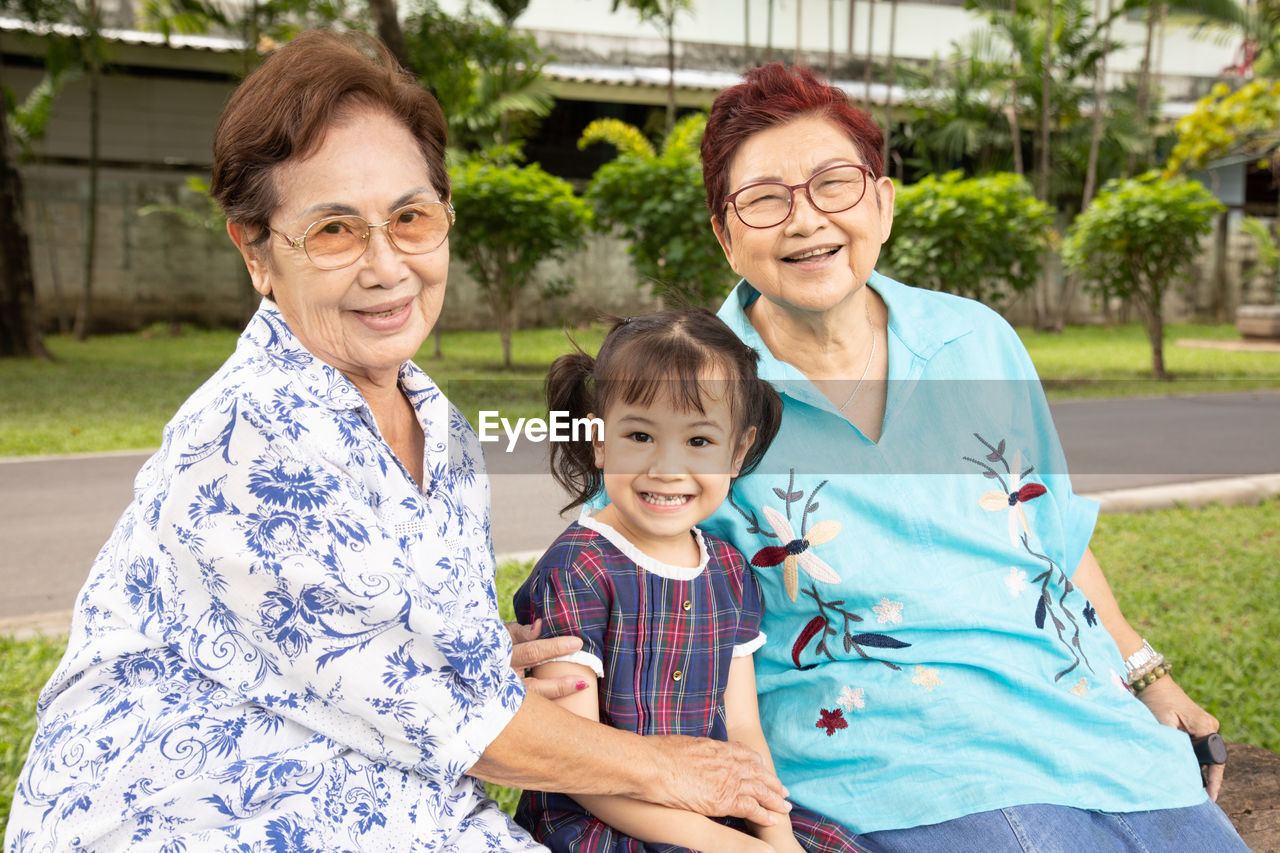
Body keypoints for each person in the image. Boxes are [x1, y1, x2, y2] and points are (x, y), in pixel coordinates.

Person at [2, 33, 795, 852]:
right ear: (256, 251)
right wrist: (667, 767)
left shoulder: (436, 421)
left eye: (411, 217)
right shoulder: (248, 437)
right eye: (335, 231)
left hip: (376, 788)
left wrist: (492, 654)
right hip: (198, 810)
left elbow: (405, 648)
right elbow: (456, 722)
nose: (387, 267)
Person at [693, 63, 1252, 852]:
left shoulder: (976, 338)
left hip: (1085, 723)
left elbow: (1050, 532)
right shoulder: (693, 389)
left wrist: (1148, 673)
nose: (805, 219)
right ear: (726, 234)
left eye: (833, 184)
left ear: (882, 203)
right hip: (891, 757)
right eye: (765, 199)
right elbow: (639, 564)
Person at [512, 310, 874, 852]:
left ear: (739, 450)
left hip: (715, 807)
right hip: (606, 818)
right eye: (639, 434)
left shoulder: (728, 572)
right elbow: (578, 763)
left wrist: (777, 841)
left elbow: (744, 733)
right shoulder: (579, 570)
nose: (667, 467)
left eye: (699, 441)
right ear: (598, 440)